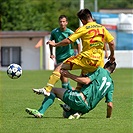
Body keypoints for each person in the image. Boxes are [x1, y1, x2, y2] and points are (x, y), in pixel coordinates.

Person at [33, 8, 115, 96]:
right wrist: (112, 55)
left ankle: (47, 89)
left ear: (82, 20)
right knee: (83, 78)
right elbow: (111, 42)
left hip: (86, 58)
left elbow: (69, 41)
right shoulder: (102, 28)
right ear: (91, 16)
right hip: (98, 62)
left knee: (59, 67)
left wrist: (55, 44)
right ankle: (74, 102)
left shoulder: (83, 28)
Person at [25, 61, 116, 119]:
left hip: (79, 99)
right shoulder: (111, 84)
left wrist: (69, 75)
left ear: (105, 65)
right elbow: (110, 105)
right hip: (86, 109)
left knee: (53, 90)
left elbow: (86, 81)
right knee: (65, 115)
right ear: (113, 71)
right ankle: (75, 112)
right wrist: (108, 117)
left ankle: (40, 112)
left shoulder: (100, 70)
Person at [49, 15, 81, 90]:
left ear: (66, 23)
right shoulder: (54, 32)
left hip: (68, 56)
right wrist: (51, 53)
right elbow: (51, 43)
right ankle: (71, 90)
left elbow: (78, 43)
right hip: (59, 56)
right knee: (62, 76)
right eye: (60, 21)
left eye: (63, 21)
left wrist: (79, 55)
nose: (62, 23)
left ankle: (61, 93)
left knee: (60, 72)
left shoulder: (70, 32)